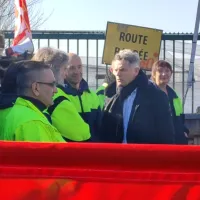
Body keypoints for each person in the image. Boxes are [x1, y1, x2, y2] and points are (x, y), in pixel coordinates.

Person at [99, 49, 174, 144]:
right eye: (115, 70)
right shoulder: (110, 94)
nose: (118, 74)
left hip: (144, 156)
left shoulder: (155, 96)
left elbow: (166, 135)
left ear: (136, 71)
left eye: (123, 70)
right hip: (116, 156)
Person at [32, 47, 91, 142]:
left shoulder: (32, 92)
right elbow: (82, 133)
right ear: (53, 70)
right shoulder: (57, 97)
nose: (65, 74)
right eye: (64, 69)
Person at [2, 60, 65, 142]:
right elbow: (45, 155)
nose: (56, 90)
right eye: (52, 84)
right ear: (36, 88)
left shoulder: (17, 111)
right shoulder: (33, 123)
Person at [64, 53, 101, 141]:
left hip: (92, 151)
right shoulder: (59, 95)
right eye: (72, 68)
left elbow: (99, 127)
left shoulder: (92, 95)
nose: (77, 71)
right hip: (68, 151)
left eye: (79, 67)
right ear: (64, 70)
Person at [151, 60, 188, 144]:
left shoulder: (173, 94)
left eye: (167, 71)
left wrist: (184, 131)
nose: (164, 74)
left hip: (177, 140)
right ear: (153, 74)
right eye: (160, 71)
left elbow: (180, 116)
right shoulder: (149, 93)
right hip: (158, 141)